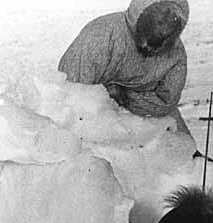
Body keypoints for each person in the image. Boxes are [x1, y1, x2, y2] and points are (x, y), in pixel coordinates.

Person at [58, 0, 191, 134]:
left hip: (150, 120)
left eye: (172, 21)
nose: (163, 29)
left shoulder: (176, 54)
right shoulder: (101, 35)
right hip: (95, 116)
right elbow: (69, 91)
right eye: (160, 20)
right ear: (144, 11)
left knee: (182, 148)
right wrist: (106, 96)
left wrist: (125, 94)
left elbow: (166, 102)